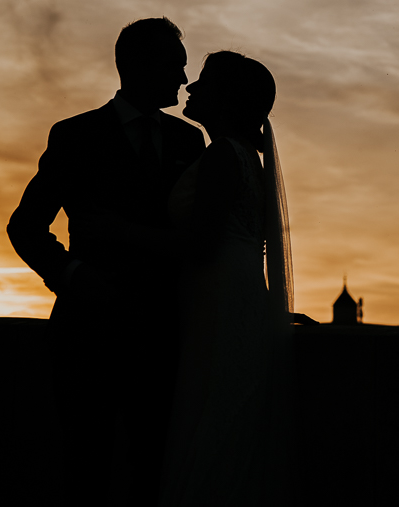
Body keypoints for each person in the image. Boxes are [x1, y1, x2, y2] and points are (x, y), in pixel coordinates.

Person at [7, 17, 207, 506]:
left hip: (163, 337)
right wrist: (74, 276)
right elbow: (26, 227)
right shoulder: (75, 135)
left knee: (154, 471)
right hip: (87, 336)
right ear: (135, 64)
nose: (183, 79)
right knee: (85, 468)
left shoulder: (188, 142)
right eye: (173, 65)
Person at [113, 51, 296, 506]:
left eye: (204, 84)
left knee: (212, 411)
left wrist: (115, 230)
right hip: (236, 292)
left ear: (227, 101)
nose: (190, 89)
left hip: (219, 298)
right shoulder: (243, 159)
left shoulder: (221, 157)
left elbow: (200, 243)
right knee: (225, 411)